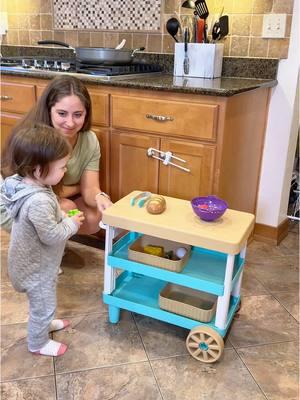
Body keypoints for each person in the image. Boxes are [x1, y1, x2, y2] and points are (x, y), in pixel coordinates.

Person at [1, 124, 85, 357]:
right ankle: (37, 343)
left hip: (33, 263)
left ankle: (45, 325)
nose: (65, 171)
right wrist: (71, 224)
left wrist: (61, 217)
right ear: (38, 170)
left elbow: (45, 222)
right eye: (61, 167)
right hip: (35, 269)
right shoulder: (37, 200)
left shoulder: (27, 184)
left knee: (43, 303)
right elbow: (51, 235)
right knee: (43, 305)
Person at [1, 75, 112, 235]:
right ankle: (44, 244)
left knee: (96, 216)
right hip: (20, 204)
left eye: (78, 114)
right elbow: (35, 192)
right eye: (62, 113)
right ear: (49, 110)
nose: (70, 122)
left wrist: (101, 197)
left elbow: (90, 189)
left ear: (86, 113)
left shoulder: (89, 140)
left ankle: (55, 239)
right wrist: (77, 187)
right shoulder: (37, 139)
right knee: (67, 208)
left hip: (50, 199)